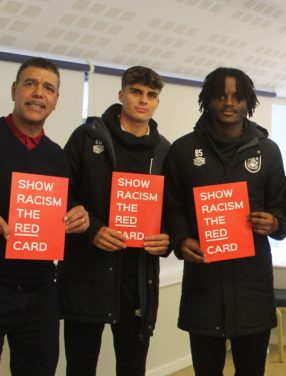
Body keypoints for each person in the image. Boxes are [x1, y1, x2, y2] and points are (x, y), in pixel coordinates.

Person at [163, 67, 286, 375]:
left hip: (252, 287)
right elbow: (172, 207)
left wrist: (273, 223)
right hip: (203, 287)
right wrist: (180, 240)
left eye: (237, 97)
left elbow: (284, 209)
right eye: (221, 96)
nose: (229, 103)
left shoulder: (268, 152)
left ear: (248, 102)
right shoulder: (182, 150)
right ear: (208, 100)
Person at [58, 66, 171, 375]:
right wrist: (91, 230)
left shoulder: (165, 151)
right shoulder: (87, 137)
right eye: (136, 92)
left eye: (151, 95)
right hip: (87, 274)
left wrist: (168, 238)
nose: (143, 100)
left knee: (133, 367)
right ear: (121, 95)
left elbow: (172, 211)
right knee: (80, 366)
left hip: (137, 280)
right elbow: (62, 194)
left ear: (157, 102)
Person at [0, 57, 89, 376]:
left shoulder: (57, 157)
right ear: (14, 90)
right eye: (30, 83)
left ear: (55, 102)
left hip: (41, 290)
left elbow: (66, 209)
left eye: (48, 88)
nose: (39, 92)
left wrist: (79, 217)